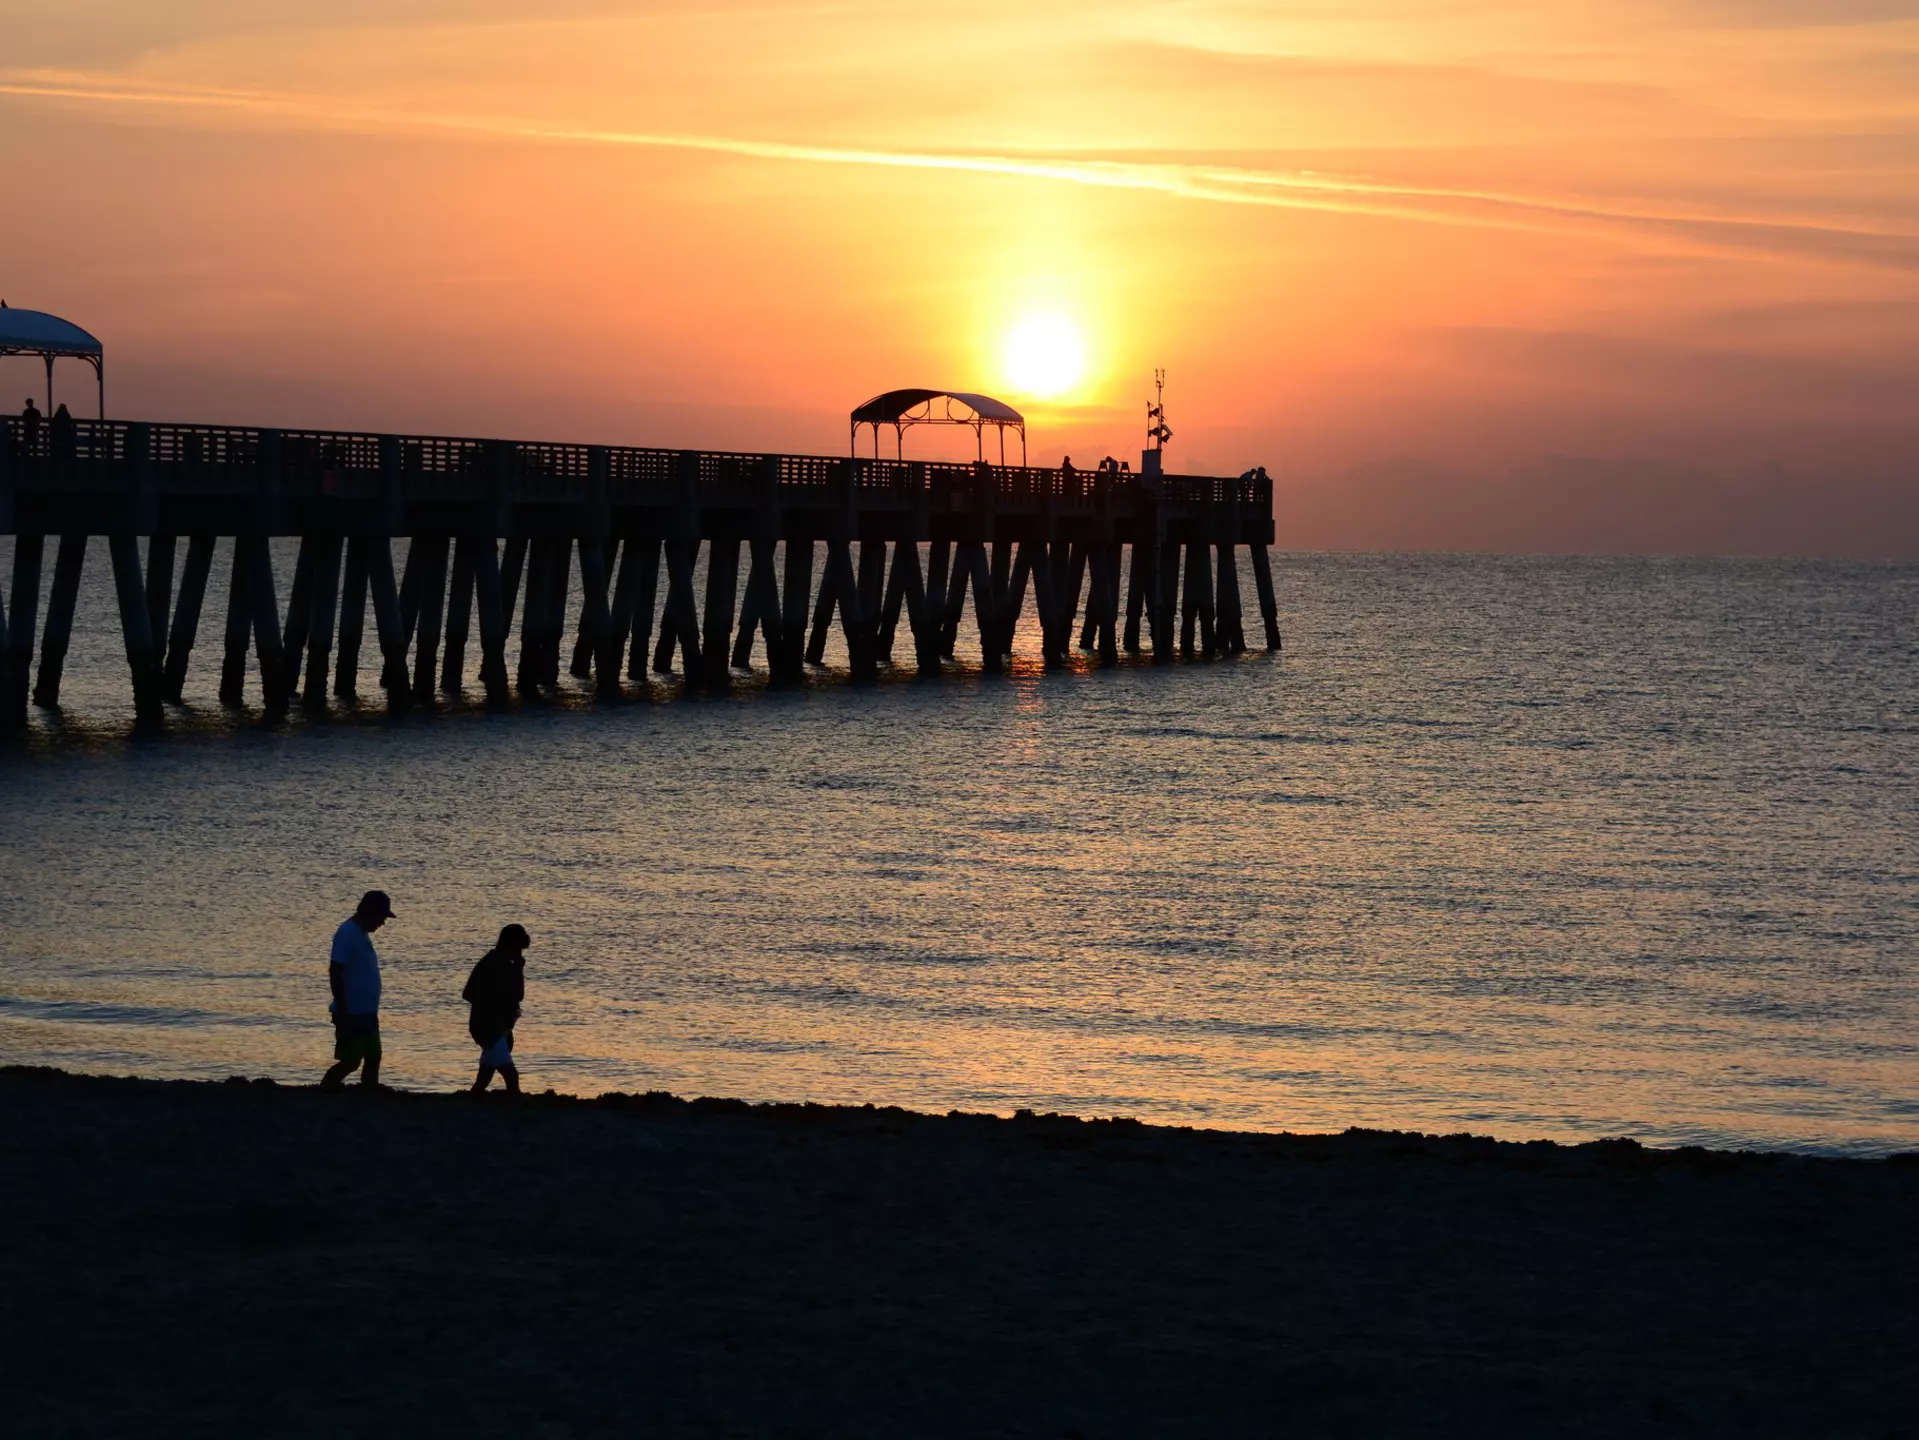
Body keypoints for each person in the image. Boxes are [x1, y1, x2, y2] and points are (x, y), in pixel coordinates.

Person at [321, 890, 395, 1091]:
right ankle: (324, 1090)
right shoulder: (347, 932)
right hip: (352, 1011)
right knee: (350, 1060)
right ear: (370, 912)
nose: (382, 923)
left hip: (367, 1011)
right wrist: (343, 1008)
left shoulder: (360, 934)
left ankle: (369, 1090)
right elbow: (335, 971)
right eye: (381, 917)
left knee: (373, 1055)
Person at [463, 924, 530, 1095]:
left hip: (499, 1027)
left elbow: (517, 996)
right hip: (488, 1028)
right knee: (511, 1075)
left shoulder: (505, 964)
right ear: (508, 944)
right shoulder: (492, 964)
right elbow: (469, 993)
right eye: (518, 949)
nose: (519, 954)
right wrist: (494, 1006)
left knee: (485, 1075)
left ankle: (474, 1098)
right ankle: (514, 1110)